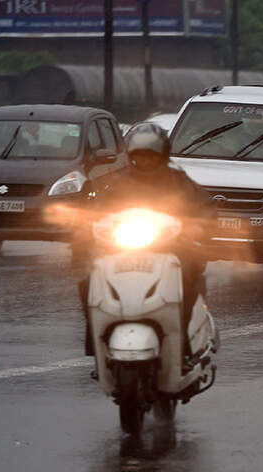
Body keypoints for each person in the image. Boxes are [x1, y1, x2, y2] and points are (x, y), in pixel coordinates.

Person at [81, 123, 213, 357]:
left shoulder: (177, 180)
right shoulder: (119, 181)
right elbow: (97, 209)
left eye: (150, 155)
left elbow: (204, 204)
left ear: (162, 155)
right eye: (139, 156)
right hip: (122, 246)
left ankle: (181, 338)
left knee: (187, 276)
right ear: (131, 156)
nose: (145, 161)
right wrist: (84, 224)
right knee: (88, 279)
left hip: (171, 247)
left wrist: (198, 224)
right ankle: (94, 337)